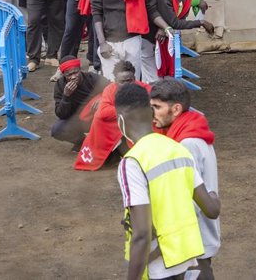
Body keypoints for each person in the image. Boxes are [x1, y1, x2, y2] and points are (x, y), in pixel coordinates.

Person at [115, 83, 220, 280]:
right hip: (183, 258)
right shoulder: (177, 148)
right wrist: (214, 195)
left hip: (157, 265)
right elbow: (212, 209)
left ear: (120, 120)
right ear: (150, 112)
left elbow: (142, 234)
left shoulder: (132, 162)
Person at [150, 78, 220, 279]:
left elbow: (189, 200)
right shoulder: (191, 131)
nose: (151, 113)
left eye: (157, 107)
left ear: (176, 109)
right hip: (194, 239)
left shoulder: (186, 144)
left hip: (191, 242)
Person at [74, 61, 147, 171]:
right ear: (115, 81)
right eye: (123, 81)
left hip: (138, 128)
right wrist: (129, 109)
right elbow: (102, 113)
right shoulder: (110, 89)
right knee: (99, 121)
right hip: (117, 126)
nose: (127, 84)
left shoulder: (144, 88)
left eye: (130, 80)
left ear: (135, 78)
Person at [156, 0, 215, 77]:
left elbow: (181, 18)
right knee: (157, 68)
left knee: (167, 66)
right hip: (154, 35)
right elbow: (175, 23)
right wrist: (201, 22)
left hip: (166, 32)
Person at [50, 56, 109, 150]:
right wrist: (66, 96)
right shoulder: (60, 85)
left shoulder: (92, 78)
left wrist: (102, 98)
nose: (73, 77)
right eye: (69, 75)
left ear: (80, 69)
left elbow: (112, 88)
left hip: (98, 115)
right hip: (78, 119)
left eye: (75, 72)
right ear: (64, 75)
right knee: (57, 129)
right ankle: (83, 142)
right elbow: (61, 115)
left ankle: (106, 144)